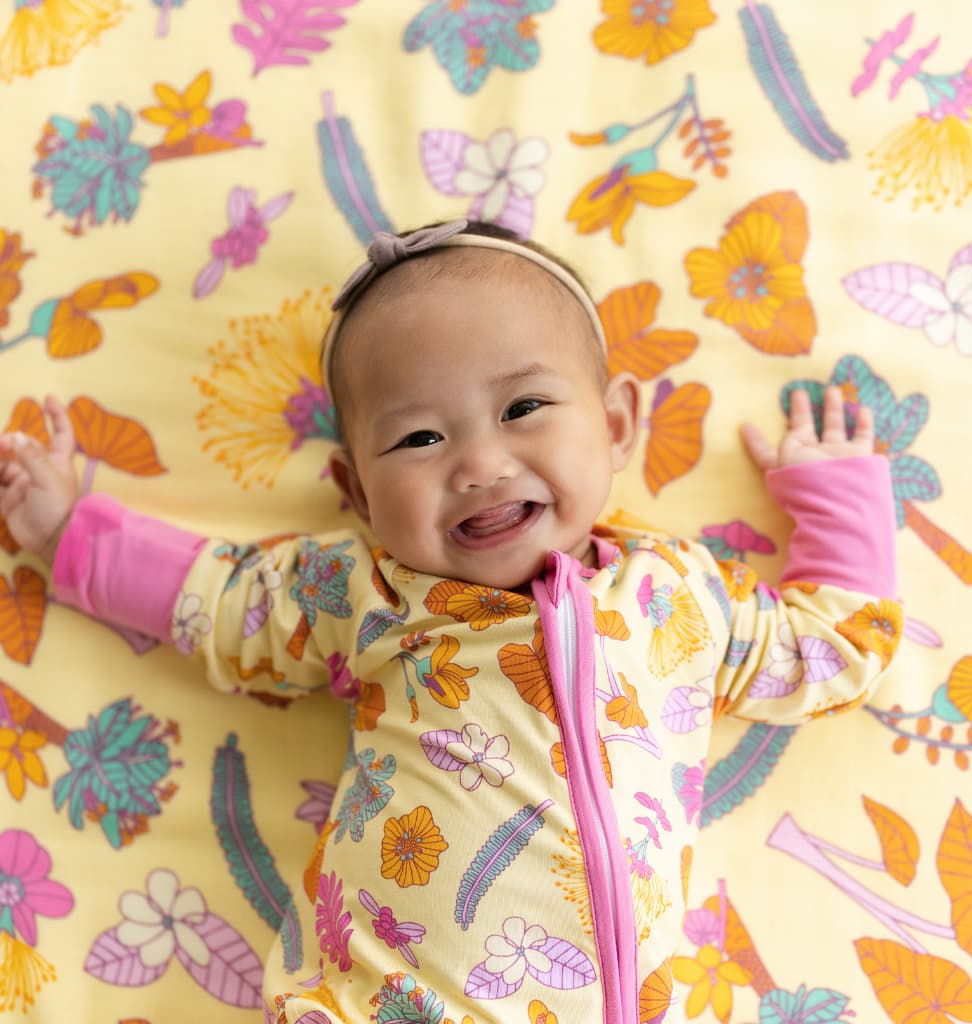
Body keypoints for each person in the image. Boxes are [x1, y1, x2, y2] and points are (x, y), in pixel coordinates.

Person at [0, 219, 900, 1024]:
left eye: (523, 409)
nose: (479, 464)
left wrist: (838, 496)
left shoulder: (682, 597)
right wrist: (69, 530)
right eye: (419, 438)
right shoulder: (368, 592)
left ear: (618, 422)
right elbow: (222, 602)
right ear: (357, 491)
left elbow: (829, 653)